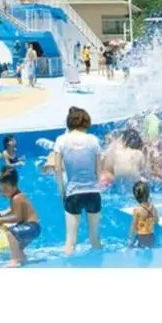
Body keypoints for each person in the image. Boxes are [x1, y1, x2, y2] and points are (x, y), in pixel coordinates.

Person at [53, 107, 103, 256]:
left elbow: (57, 169)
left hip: (73, 193)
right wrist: (96, 186)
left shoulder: (61, 140)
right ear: (86, 122)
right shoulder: (93, 140)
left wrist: (62, 191)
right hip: (93, 192)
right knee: (95, 239)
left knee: (71, 241)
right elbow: (98, 170)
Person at [0, 166, 40, 267]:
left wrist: (1, 220)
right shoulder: (17, 195)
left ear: (14, 186)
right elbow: (14, 208)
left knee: (11, 233)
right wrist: (4, 213)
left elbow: (17, 217)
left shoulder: (16, 198)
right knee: (17, 246)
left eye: (6, 188)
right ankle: (22, 258)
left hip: (32, 227)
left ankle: (14, 260)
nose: (3, 191)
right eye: (0, 188)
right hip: (33, 227)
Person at [129, 181, 158, 249]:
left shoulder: (137, 210)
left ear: (136, 196)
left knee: (132, 248)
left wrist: (130, 239)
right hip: (151, 236)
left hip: (141, 237)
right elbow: (156, 220)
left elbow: (133, 226)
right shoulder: (152, 207)